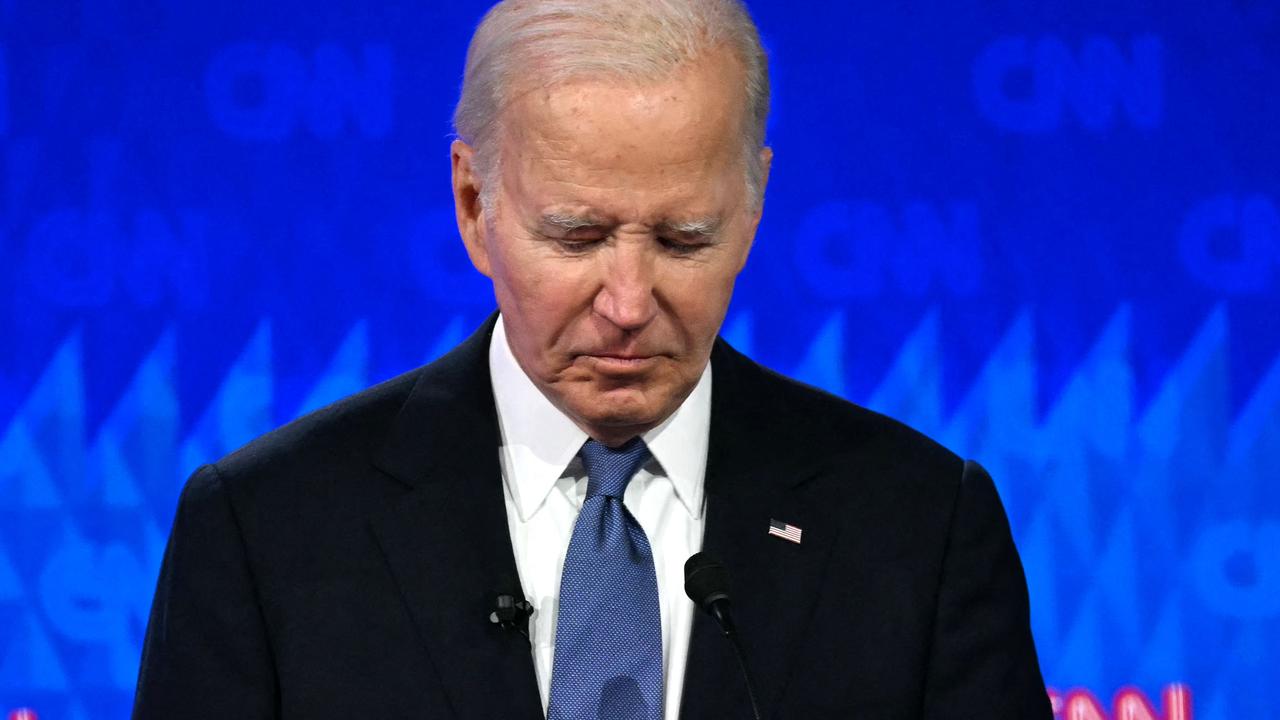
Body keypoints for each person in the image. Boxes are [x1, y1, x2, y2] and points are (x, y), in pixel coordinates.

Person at [133, 1, 1052, 718]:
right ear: (472, 205)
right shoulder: (268, 532)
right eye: (576, 236)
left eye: (684, 239)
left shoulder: (918, 528)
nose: (626, 303)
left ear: (757, 202)